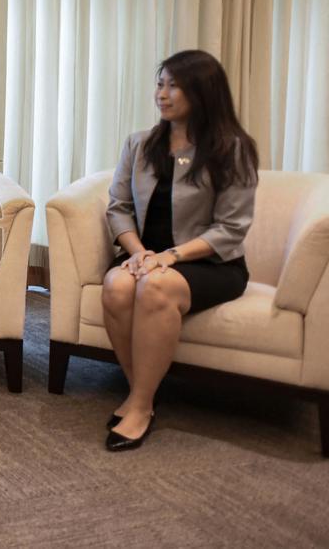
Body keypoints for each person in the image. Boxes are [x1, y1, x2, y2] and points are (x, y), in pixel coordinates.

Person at [102, 49, 259, 451]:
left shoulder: (232, 148)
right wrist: (138, 253)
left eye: (175, 85)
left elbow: (231, 228)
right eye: (160, 83)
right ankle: (144, 391)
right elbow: (118, 207)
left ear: (203, 93)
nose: (163, 94)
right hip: (148, 257)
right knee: (116, 286)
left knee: (155, 287)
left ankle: (138, 406)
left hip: (208, 263)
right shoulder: (139, 144)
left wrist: (169, 258)